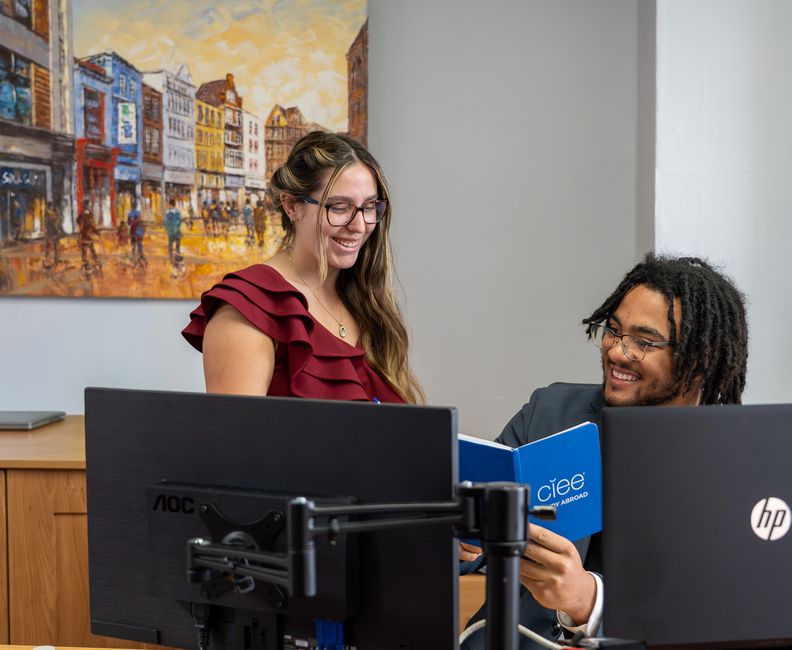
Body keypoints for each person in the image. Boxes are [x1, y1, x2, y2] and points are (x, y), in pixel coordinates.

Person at [460, 253, 749, 649]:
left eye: (643, 342)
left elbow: (717, 611)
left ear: (698, 361)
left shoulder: (734, 465)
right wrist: (462, 536)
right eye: (614, 331)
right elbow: (470, 544)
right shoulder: (551, 412)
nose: (616, 352)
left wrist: (588, 601)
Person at [182, 131, 423, 404]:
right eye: (340, 207)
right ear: (291, 206)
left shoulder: (365, 300)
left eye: (369, 207)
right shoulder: (247, 308)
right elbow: (236, 443)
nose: (359, 226)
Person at [77, 200, 99, 267]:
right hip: (85, 234)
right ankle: (87, 260)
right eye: (87, 205)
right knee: (86, 248)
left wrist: (96, 231)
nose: (88, 206)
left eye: (87, 205)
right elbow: (79, 221)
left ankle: (92, 259)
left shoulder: (89, 214)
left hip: (87, 234)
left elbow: (92, 224)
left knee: (90, 247)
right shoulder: (83, 214)